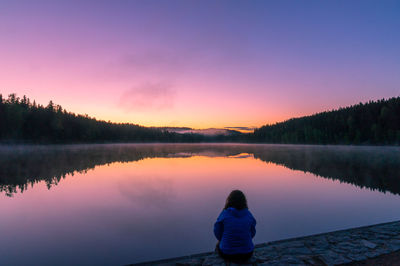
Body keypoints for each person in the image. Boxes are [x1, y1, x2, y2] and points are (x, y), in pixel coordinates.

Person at [213, 190, 256, 262]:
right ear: (244, 201)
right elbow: (252, 233)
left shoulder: (225, 214)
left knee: (218, 244)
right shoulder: (249, 215)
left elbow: (217, 231)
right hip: (247, 254)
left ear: (229, 200)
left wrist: (223, 239)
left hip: (227, 254)